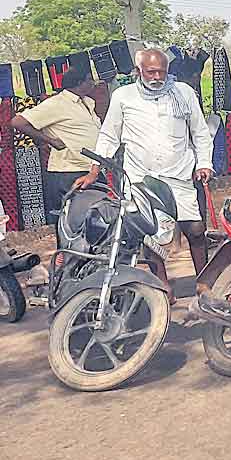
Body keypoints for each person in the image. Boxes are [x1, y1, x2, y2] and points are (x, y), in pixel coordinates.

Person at [77, 48, 214, 296]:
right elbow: (109, 135)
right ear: (139, 70)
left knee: (195, 230)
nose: (157, 77)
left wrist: (204, 163)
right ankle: (162, 286)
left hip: (179, 175)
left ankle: (204, 283)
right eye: (151, 72)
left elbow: (200, 132)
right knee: (149, 235)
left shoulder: (183, 92)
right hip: (140, 178)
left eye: (162, 71)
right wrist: (94, 171)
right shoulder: (123, 96)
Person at [12, 60, 102, 224]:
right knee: (73, 221)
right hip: (68, 172)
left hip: (91, 170)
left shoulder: (88, 102)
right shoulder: (56, 104)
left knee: (96, 219)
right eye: (89, 79)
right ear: (79, 82)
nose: (93, 83)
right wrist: (50, 140)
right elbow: (18, 122)